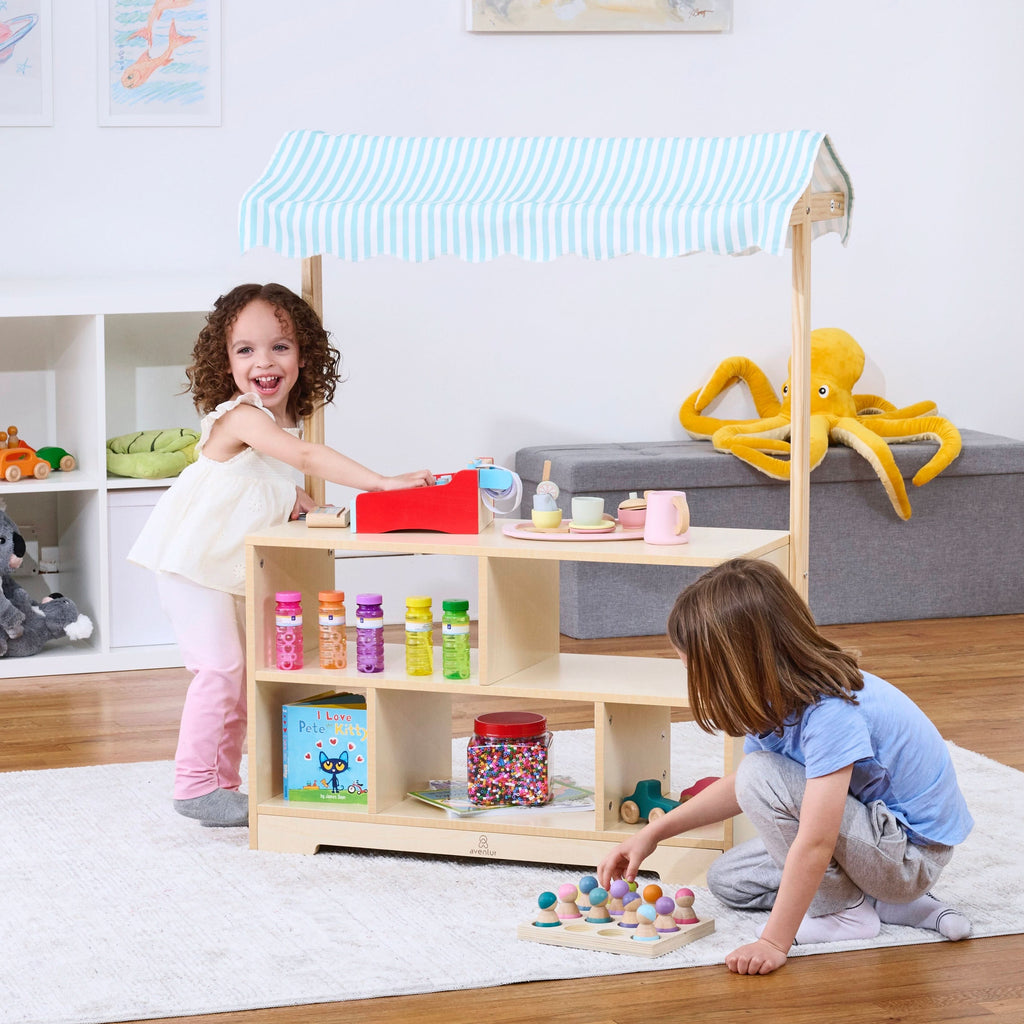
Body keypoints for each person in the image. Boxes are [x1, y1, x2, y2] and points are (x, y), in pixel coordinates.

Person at [129, 282, 433, 828]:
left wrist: (303, 504)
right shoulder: (241, 416)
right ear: (224, 361)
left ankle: (222, 785)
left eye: (280, 347)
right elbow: (306, 455)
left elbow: (270, 482)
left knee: (241, 678)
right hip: (190, 567)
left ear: (304, 356)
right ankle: (194, 784)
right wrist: (383, 483)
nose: (263, 362)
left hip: (223, 572)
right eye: (245, 350)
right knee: (219, 670)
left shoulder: (276, 427)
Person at [595, 557, 973, 975]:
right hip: (872, 840)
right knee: (729, 879)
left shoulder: (831, 712)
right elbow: (742, 786)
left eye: (690, 664)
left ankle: (847, 914)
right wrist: (653, 834)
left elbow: (814, 839)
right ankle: (883, 904)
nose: (687, 672)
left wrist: (773, 941)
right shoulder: (776, 696)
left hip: (909, 858)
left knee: (763, 778)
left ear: (736, 663)